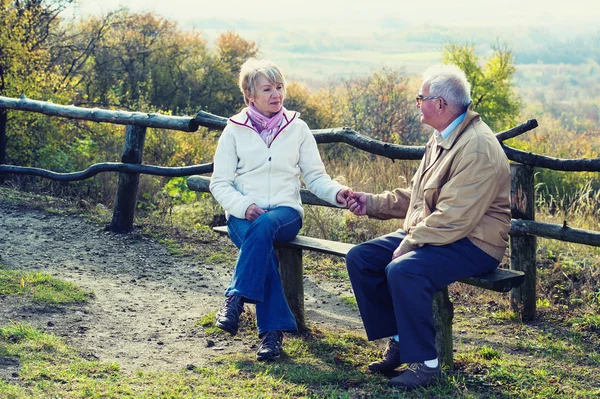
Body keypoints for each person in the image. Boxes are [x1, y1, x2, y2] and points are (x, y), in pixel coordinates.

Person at [345, 64, 511, 390]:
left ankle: (426, 363)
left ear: (440, 104)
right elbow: (422, 197)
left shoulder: (476, 147)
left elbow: (455, 216)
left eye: (420, 98)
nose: (417, 103)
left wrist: (410, 242)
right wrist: (372, 203)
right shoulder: (442, 137)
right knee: (361, 258)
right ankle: (399, 340)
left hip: (475, 243)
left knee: (404, 270)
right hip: (439, 233)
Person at [210, 58, 352, 361]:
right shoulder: (233, 130)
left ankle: (235, 298)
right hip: (243, 215)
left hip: (285, 214)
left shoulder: (297, 128)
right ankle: (272, 337)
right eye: (267, 89)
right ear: (250, 95)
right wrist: (243, 205)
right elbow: (220, 183)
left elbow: (315, 177)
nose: (276, 94)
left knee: (264, 230)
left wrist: (338, 192)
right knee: (263, 249)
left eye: (279, 87)